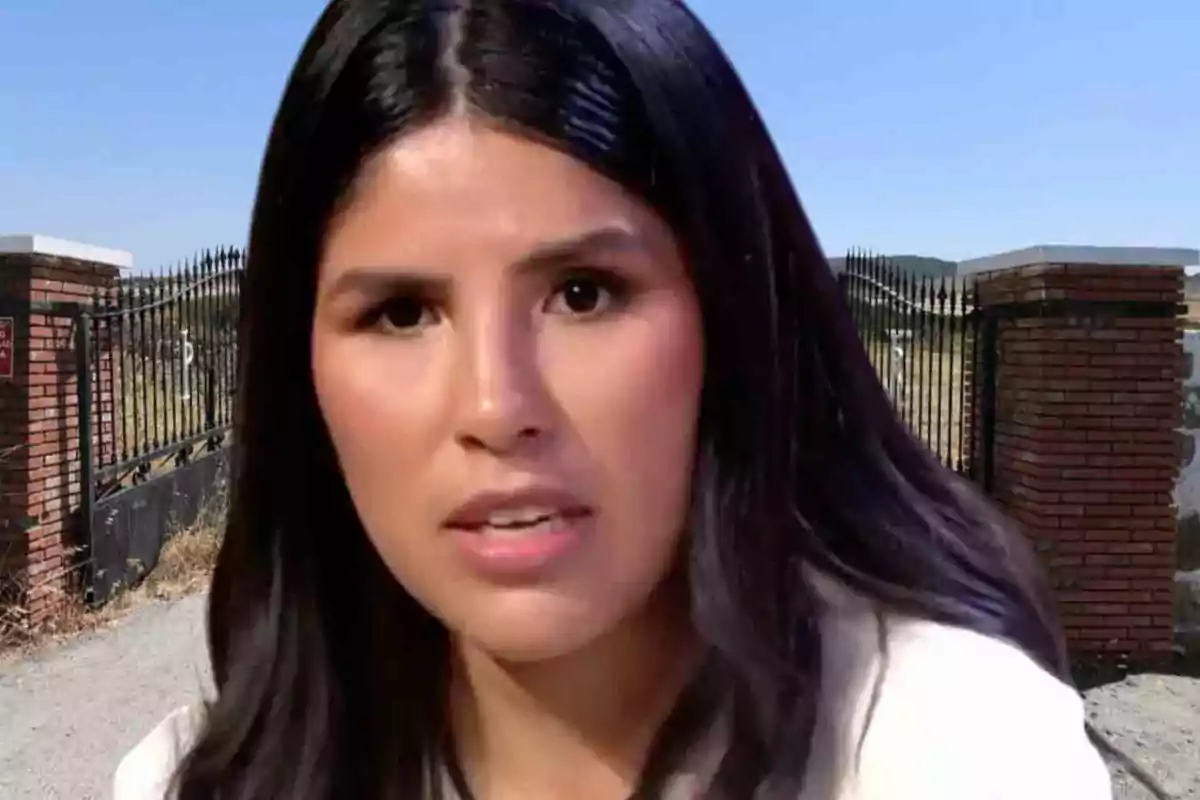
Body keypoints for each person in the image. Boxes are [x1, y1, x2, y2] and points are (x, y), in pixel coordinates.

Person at [113, 0, 1113, 798]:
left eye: (583, 294)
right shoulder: (189, 780)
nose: (498, 405)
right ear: (303, 369)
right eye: (404, 310)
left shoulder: (951, 748)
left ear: (729, 314)